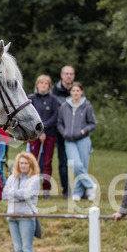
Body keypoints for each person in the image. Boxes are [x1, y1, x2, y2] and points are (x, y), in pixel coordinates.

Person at [2, 151, 41, 252]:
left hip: (26, 216)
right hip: (12, 216)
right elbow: (5, 195)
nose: (23, 165)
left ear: (31, 164)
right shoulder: (12, 177)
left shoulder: (34, 179)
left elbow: (28, 194)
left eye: (26, 163)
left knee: (26, 247)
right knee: (17, 248)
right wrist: (17, 194)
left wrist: (14, 193)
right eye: (21, 163)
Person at [57, 82, 97, 201]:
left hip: (83, 139)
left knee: (83, 166)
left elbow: (92, 124)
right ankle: (90, 185)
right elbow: (59, 123)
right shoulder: (64, 106)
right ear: (70, 92)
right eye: (73, 91)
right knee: (75, 165)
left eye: (77, 91)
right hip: (69, 140)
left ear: (81, 92)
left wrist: (83, 131)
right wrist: (64, 132)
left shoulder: (87, 106)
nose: (75, 93)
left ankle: (78, 193)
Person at [28, 75, 62, 194]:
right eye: (41, 83)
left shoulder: (53, 99)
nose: (43, 85)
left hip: (50, 134)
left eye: (46, 83)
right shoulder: (31, 98)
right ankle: (33, 188)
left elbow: (55, 116)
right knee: (33, 161)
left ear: (49, 86)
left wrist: (44, 129)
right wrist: (39, 131)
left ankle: (46, 188)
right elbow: (30, 115)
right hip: (34, 134)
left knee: (47, 161)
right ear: (37, 85)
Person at [52, 65, 76, 197]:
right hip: (60, 132)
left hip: (76, 133)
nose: (68, 76)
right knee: (63, 161)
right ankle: (66, 189)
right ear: (62, 75)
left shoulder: (76, 89)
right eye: (66, 74)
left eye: (71, 74)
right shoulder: (54, 91)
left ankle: (78, 188)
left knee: (76, 162)